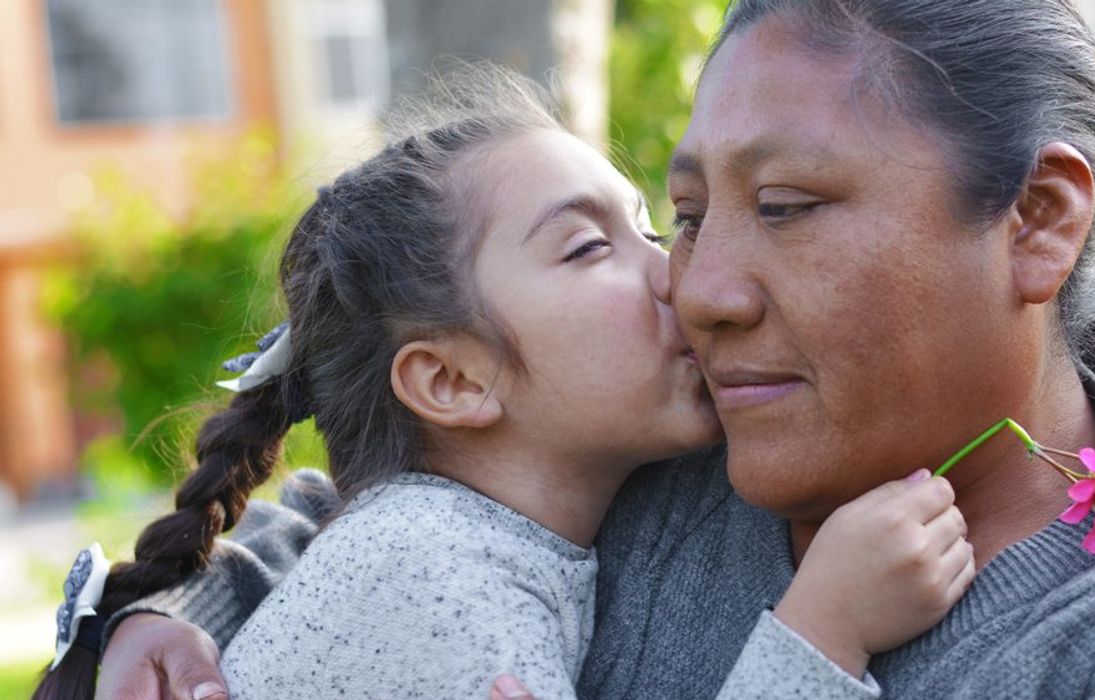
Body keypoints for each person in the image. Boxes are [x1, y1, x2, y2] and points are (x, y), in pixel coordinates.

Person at [91, 0, 1095, 697]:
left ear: (1038, 220)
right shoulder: (689, 443)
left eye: (787, 205)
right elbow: (407, 511)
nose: (698, 290)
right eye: (688, 214)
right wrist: (177, 615)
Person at [34, 64, 974, 700]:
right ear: (449, 379)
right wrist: (820, 635)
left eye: (652, 228)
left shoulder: (448, 537)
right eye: (586, 247)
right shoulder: (431, 577)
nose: (674, 273)